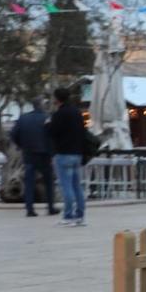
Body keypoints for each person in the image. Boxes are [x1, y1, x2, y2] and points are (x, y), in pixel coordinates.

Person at [48, 87, 89, 226]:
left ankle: (68, 215)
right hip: (77, 153)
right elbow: (83, 132)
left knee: (66, 186)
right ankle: (80, 215)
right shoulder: (77, 113)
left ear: (57, 99)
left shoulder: (59, 114)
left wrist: (47, 125)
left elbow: (53, 132)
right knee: (77, 186)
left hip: (63, 153)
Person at [10, 98, 55, 218]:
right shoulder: (47, 118)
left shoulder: (23, 118)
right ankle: (50, 207)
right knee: (48, 182)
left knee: (29, 182)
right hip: (45, 154)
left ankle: (29, 209)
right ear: (41, 105)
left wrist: (22, 145)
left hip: (29, 154)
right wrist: (52, 151)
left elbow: (13, 134)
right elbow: (53, 135)